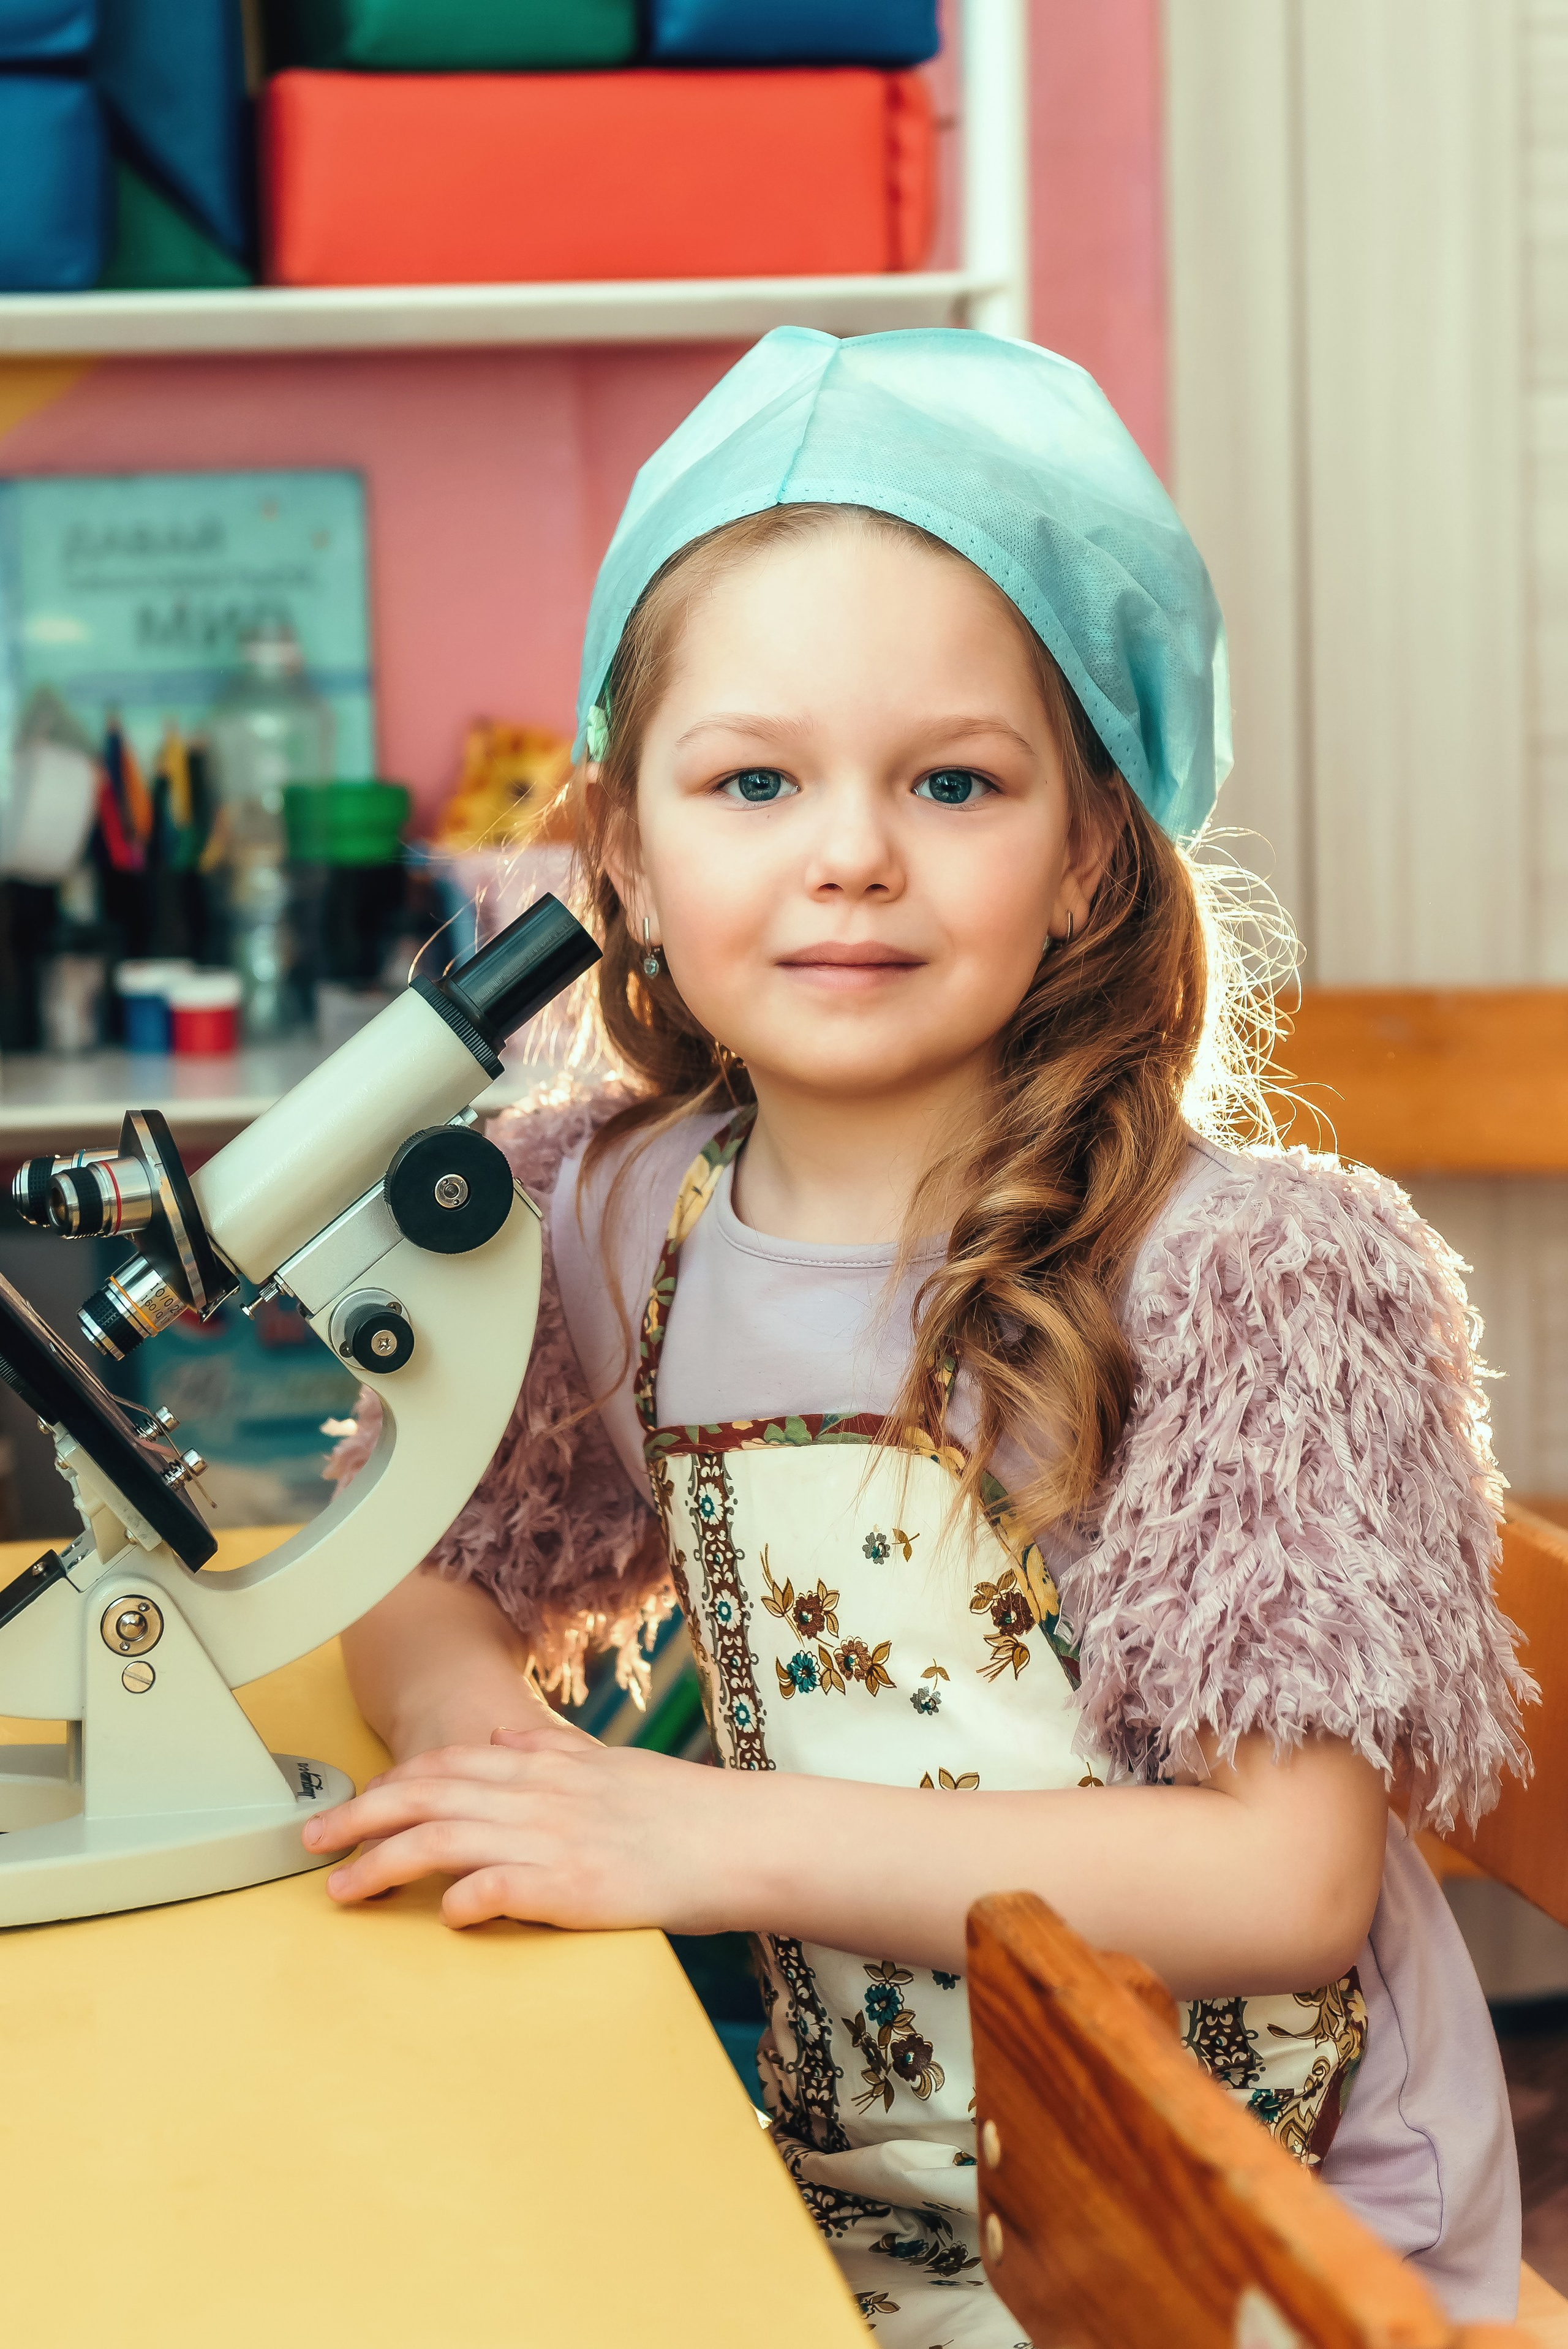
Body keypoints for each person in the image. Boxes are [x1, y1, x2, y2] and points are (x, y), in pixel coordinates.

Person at [309, 328, 1531, 2340]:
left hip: (1256, 2218)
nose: (851, 848)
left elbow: (1288, 1886)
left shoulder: (1243, 1284)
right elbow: (432, 1561)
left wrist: (686, 1829)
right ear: (622, 846)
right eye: (756, 778)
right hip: (867, 2190)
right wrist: (488, 1752)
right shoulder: (608, 1218)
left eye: (952, 779)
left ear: (1083, 858)